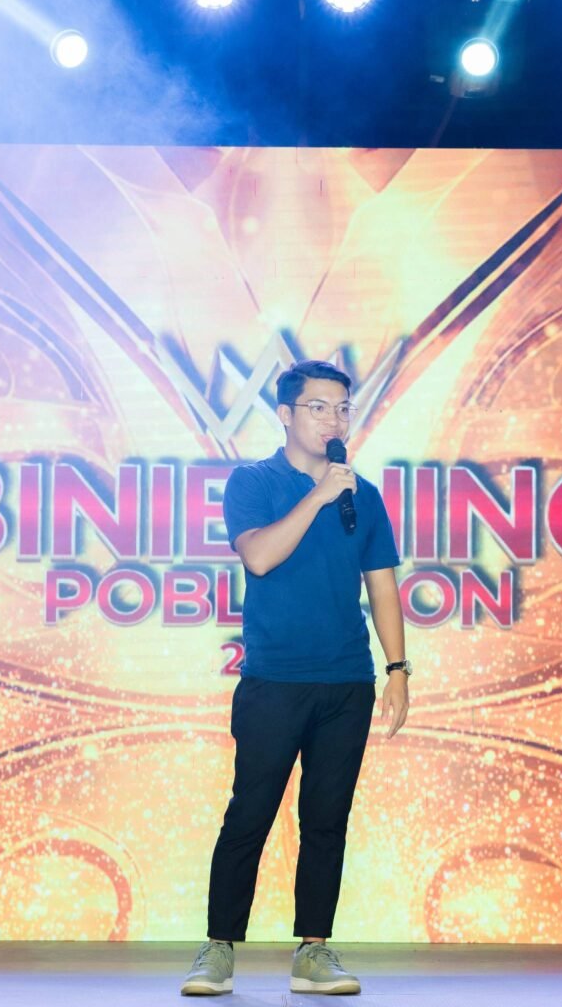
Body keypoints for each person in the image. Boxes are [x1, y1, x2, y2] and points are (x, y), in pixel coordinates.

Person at [181, 360, 410, 996]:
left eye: (342, 408)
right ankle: (218, 948)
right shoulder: (253, 481)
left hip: (347, 681)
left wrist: (397, 669)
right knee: (249, 813)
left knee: (326, 820)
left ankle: (314, 950)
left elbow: (382, 586)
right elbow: (259, 555)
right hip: (274, 682)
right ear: (285, 414)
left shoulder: (363, 494)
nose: (334, 420)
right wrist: (317, 496)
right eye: (319, 407)